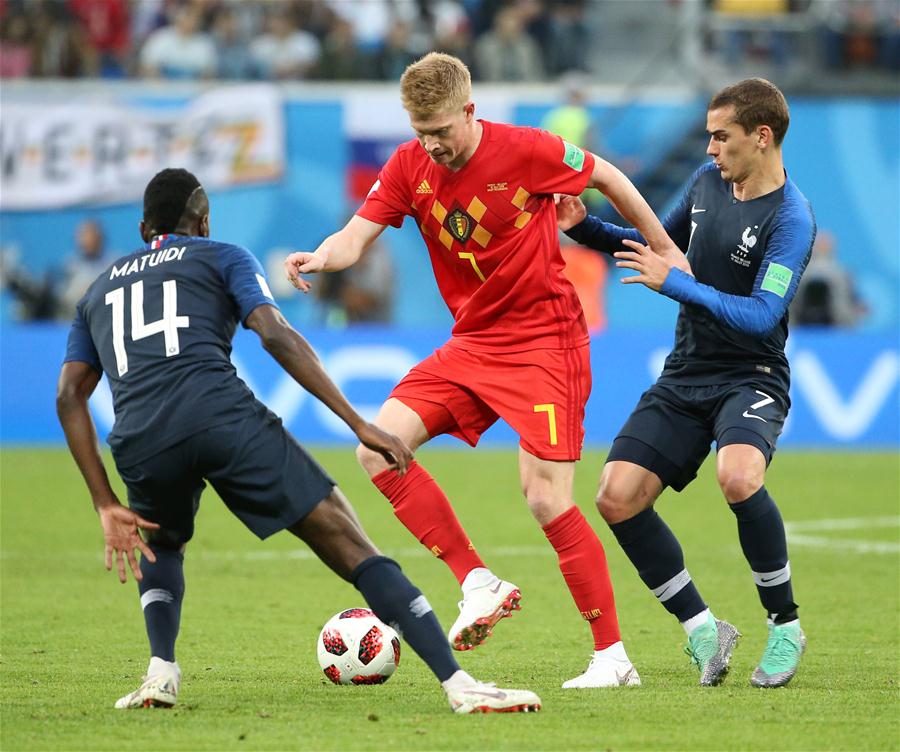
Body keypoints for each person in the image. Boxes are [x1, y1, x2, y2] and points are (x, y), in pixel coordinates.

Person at [56, 167, 541, 715]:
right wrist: (359, 423)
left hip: (140, 438)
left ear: (145, 227)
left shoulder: (98, 288)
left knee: (162, 543)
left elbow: (71, 395)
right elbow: (274, 334)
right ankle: (460, 686)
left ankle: (160, 673)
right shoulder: (222, 255)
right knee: (351, 542)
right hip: (221, 418)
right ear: (204, 220)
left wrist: (103, 502)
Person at [284, 52, 681, 689]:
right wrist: (321, 257)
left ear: (470, 112)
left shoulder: (526, 150)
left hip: (547, 343)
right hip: (473, 343)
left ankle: (613, 658)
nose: (431, 145)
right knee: (378, 448)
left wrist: (664, 249)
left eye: (441, 130)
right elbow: (356, 236)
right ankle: (479, 580)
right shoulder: (411, 164)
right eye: (420, 132)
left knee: (546, 499)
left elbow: (607, 176)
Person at [556, 78, 815, 688]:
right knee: (615, 497)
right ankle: (702, 628)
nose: (709, 150)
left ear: (761, 137)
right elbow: (657, 245)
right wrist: (584, 227)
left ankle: (784, 627)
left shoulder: (792, 218)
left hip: (750, 374)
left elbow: (761, 317)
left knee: (739, 475)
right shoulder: (705, 185)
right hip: (686, 372)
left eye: (720, 137)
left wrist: (675, 283)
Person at [790, 231, 867, 326]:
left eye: (825, 244)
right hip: (836, 325)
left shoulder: (843, 273)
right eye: (821, 244)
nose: (823, 247)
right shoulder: (842, 273)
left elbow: (857, 301)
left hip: (835, 324)